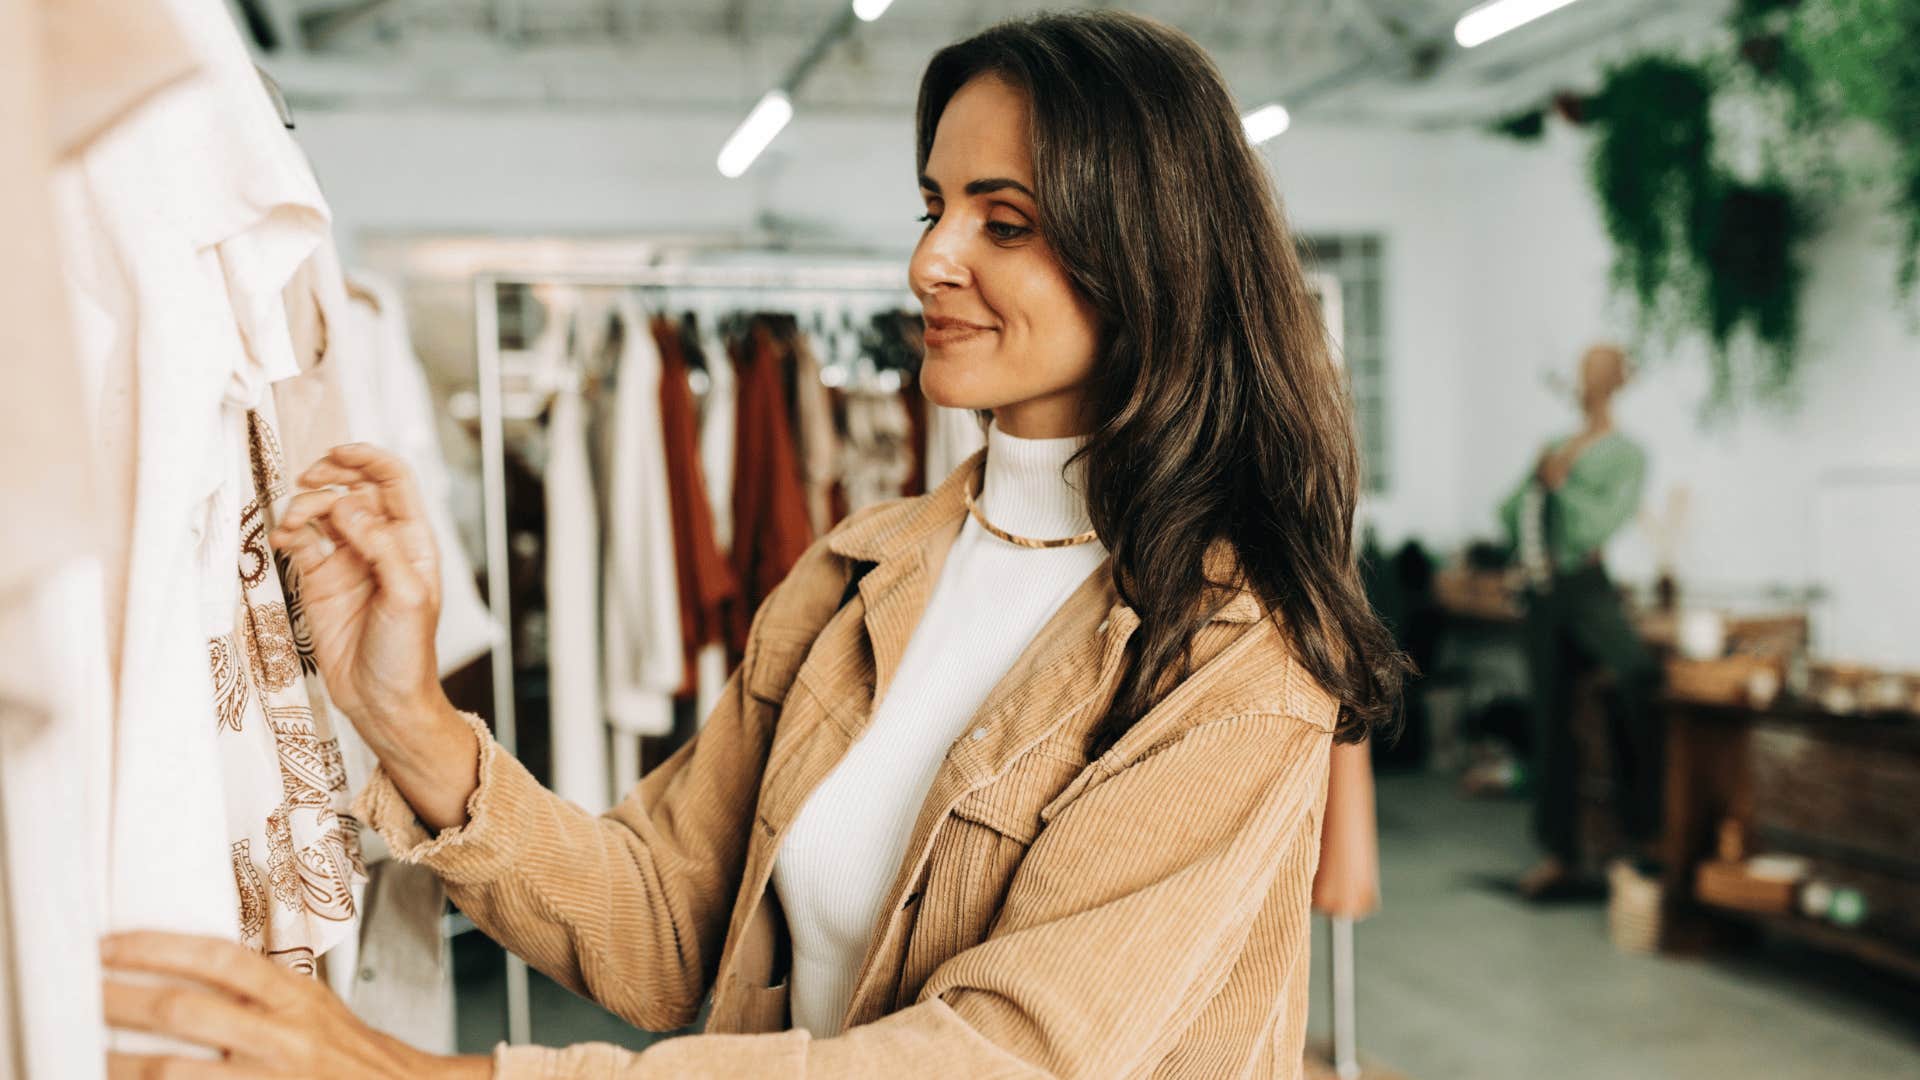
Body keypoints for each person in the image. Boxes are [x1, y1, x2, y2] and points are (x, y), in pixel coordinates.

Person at [98, 12, 1408, 1077]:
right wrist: (404, 710)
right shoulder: (868, 568)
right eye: (934, 205)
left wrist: (431, 1078)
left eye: (1003, 221)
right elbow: (674, 924)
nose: (931, 261)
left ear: (1153, 258)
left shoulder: (1235, 641)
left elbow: (1010, 1057)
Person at [1498, 343, 1661, 901]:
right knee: (1551, 719)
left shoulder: (1628, 454)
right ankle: (1559, 852)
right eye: (1582, 369)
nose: (1585, 379)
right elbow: (1509, 510)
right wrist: (1540, 480)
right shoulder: (1553, 446)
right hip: (1545, 592)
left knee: (1637, 675)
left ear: (1616, 379)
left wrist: (1564, 486)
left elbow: (1600, 523)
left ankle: (1642, 833)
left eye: (1596, 370)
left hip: (1587, 586)